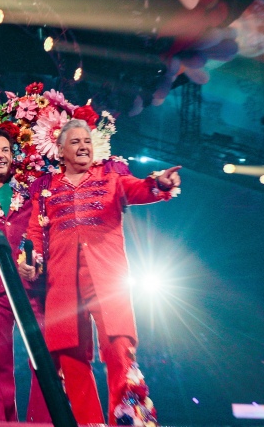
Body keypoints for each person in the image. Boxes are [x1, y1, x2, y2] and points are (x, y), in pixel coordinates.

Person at [21, 116, 181, 425]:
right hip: (63, 281)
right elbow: (34, 236)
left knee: (118, 348)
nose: (83, 147)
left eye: (87, 142)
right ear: (60, 150)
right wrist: (28, 263)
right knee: (70, 354)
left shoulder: (111, 178)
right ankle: (89, 422)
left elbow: (141, 189)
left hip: (108, 278)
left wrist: (160, 183)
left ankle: (127, 419)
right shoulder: (46, 190)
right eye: (75, 142)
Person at [0, 128, 49, 422]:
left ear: (13, 157)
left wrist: (36, 264)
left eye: (5, 150)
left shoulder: (29, 196)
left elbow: (39, 238)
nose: (0, 155)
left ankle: (43, 421)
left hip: (29, 288)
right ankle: (2, 423)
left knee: (44, 360)